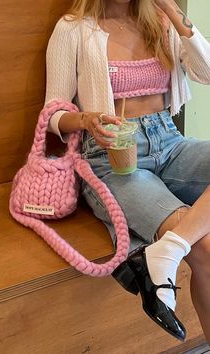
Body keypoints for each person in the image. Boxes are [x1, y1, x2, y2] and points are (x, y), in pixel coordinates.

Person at [44, 0, 210, 342]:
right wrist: (87, 120)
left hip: (171, 142)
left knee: (192, 240)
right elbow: (51, 115)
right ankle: (172, 249)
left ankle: (168, 248)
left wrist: (173, 12)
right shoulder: (73, 28)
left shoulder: (163, 21)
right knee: (206, 247)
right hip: (111, 160)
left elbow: (207, 72)